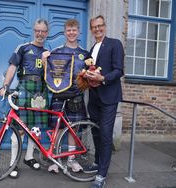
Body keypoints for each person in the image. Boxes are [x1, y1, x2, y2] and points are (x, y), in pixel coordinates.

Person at [0, 18, 49, 178]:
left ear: (47, 33)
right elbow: (12, 67)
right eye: (37, 30)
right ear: (34, 31)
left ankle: (29, 157)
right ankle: (13, 163)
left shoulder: (48, 53)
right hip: (24, 90)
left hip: (40, 92)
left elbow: (52, 76)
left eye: (43, 31)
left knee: (35, 129)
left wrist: (48, 63)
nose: (40, 33)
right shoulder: (23, 48)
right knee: (19, 130)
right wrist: (5, 86)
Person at [42, 19, 91, 173]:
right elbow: (48, 72)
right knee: (57, 129)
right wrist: (44, 60)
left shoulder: (85, 54)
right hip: (59, 95)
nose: (71, 33)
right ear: (64, 32)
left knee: (72, 130)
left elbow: (90, 76)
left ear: (79, 32)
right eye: (68, 30)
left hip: (76, 96)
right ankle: (55, 159)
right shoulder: (56, 52)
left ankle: (71, 159)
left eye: (74, 30)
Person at [84, 15, 124, 188]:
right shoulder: (92, 48)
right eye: (94, 27)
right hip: (93, 97)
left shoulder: (115, 44)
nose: (97, 29)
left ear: (105, 26)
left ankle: (102, 174)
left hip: (109, 97)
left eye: (100, 26)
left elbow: (119, 70)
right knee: (96, 133)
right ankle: (98, 162)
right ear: (91, 29)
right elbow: (90, 69)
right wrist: (86, 75)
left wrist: (103, 78)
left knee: (106, 135)